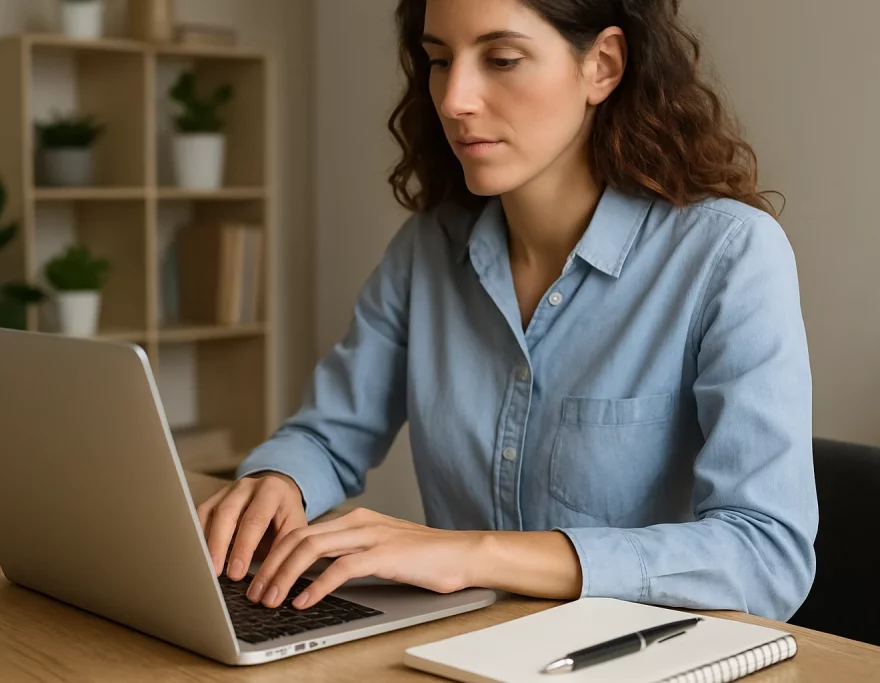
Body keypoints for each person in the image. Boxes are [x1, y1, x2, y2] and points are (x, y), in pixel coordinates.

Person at [196, 0, 818, 621]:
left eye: (501, 59)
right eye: (439, 60)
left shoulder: (729, 255)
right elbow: (327, 436)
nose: (454, 99)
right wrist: (277, 482)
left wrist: (473, 555)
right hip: (458, 652)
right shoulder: (427, 251)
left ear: (601, 66)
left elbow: (766, 555)